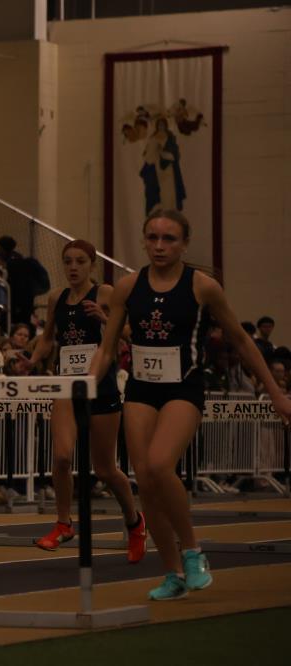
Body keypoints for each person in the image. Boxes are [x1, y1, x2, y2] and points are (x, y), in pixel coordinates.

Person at [91, 210, 291, 600]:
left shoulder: (203, 287)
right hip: (141, 389)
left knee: (159, 464)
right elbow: (108, 347)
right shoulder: (127, 287)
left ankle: (193, 551)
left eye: (169, 239)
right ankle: (173, 573)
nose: (159, 246)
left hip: (183, 387)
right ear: (144, 240)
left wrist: (275, 392)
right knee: (146, 480)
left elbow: (241, 340)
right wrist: (83, 384)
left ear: (184, 243)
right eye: (152, 238)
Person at [25, 239, 144, 559]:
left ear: (92, 264)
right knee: (62, 457)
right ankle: (63, 523)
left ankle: (134, 521)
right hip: (66, 386)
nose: (73, 267)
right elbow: (47, 339)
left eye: (80, 261)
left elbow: (130, 333)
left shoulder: (106, 293)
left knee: (105, 469)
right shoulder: (57, 298)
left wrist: (104, 318)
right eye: (68, 261)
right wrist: (31, 360)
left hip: (100, 386)